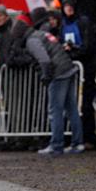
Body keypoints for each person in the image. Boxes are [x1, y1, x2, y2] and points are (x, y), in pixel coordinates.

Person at [11, 19, 84, 156]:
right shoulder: (41, 33)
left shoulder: (32, 41)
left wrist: (46, 76)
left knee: (55, 111)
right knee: (71, 109)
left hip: (58, 74)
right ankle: (77, 143)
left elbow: (44, 60)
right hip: (68, 68)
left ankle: (56, 145)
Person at [59, 0, 96, 150]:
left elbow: (88, 46)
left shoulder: (83, 22)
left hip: (85, 69)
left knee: (86, 104)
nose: (68, 8)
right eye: (65, 6)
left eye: (70, 5)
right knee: (70, 105)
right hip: (70, 70)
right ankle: (72, 137)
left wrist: (74, 50)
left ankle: (90, 138)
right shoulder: (63, 24)